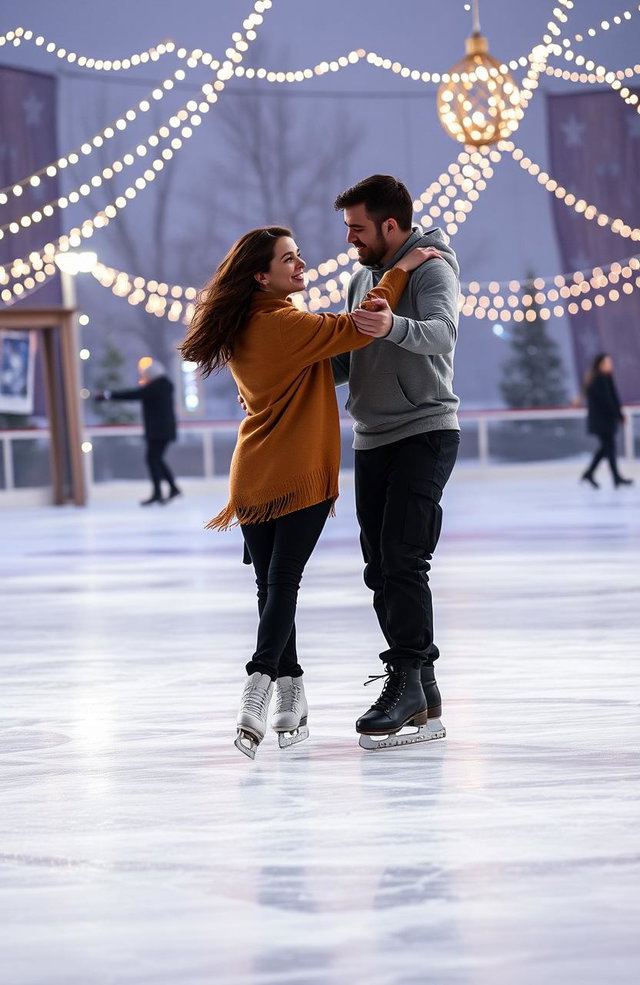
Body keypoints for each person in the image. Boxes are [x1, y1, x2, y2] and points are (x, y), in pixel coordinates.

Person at [179, 225, 439, 759]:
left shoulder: (246, 324)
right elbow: (365, 325)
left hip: (252, 475)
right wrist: (401, 272)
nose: (301, 267)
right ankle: (259, 682)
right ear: (261, 275)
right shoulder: (284, 325)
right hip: (299, 474)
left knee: (271, 587)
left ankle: (290, 692)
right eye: (289, 260)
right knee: (283, 583)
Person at [331, 174, 461, 751]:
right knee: (379, 569)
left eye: (358, 229)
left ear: (390, 225)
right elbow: (348, 355)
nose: (351, 241)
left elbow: (443, 334)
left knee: (403, 559)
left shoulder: (433, 268)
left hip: (425, 430)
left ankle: (406, 678)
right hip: (371, 438)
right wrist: (282, 374)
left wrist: (393, 325)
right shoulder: (363, 276)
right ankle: (423, 688)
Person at [95, 359, 181, 505]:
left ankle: (161, 492)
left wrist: (109, 395)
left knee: (153, 459)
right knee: (155, 459)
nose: (144, 378)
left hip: (159, 431)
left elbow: (134, 394)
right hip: (162, 430)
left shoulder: (157, 387)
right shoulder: (163, 385)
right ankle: (169, 489)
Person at [580, 352, 633, 489]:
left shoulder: (604, 378)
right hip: (601, 421)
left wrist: (618, 415)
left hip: (605, 420)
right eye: (608, 362)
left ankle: (590, 473)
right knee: (608, 448)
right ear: (600, 364)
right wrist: (618, 415)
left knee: (606, 448)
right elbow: (607, 401)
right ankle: (613, 477)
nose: (611, 365)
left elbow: (612, 399)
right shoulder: (599, 379)